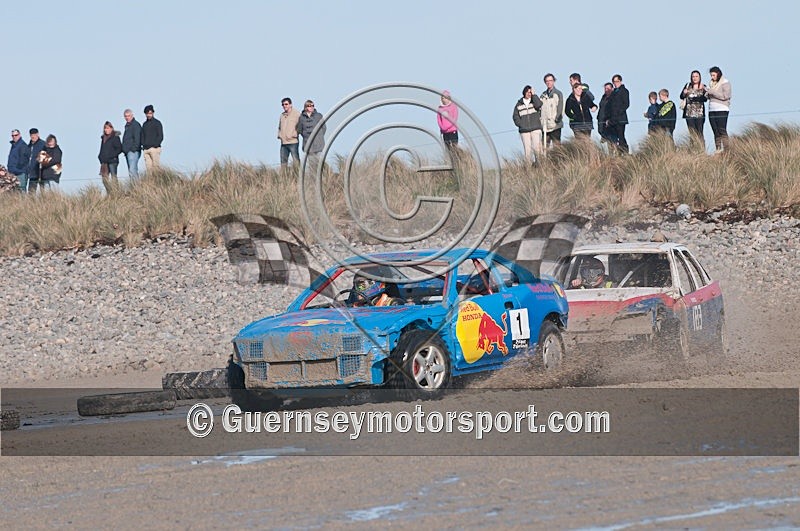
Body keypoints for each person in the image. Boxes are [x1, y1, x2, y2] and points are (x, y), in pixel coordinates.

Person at [512, 85, 543, 163]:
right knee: (527, 150)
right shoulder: (519, 104)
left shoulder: (534, 101)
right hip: (524, 130)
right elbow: (515, 116)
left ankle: (540, 165)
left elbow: (539, 105)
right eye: (528, 92)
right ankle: (528, 166)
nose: (529, 94)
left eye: (530, 92)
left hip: (536, 128)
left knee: (537, 149)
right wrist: (520, 124)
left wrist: (534, 95)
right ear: (524, 92)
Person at [706, 66, 732, 152]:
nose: (712, 77)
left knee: (722, 130)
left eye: (713, 75)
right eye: (711, 75)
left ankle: (727, 150)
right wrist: (707, 93)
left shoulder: (725, 82)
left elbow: (725, 96)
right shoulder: (711, 84)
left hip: (722, 109)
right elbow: (710, 96)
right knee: (715, 131)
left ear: (718, 74)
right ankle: (718, 149)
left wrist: (712, 92)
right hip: (711, 109)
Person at [680, 70, 707, 145]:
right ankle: (692, 149)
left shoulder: (703, 86)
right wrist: (684, 93)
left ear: (699, 77)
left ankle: (701, 148)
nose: (694, 78)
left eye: (696, 76)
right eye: (693, 76)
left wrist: (697, 97)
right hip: (689, 113)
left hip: (700, 114)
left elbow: (705, 99)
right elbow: (681, 96)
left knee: (699, 132)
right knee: (692, 133)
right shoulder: (688, 85)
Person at [98, 121, 123, 193]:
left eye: (108, 128)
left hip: (113, 161)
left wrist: (112, 156)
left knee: (113, 177)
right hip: (104, 162)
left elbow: (119, 148)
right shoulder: (103, 138)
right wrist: (100, 157)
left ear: (111, 128)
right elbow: (102, 149)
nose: (106, 130)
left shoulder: (115, 137)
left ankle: (116, 192)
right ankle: (110, 192)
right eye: (105, 128)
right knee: (104, 179)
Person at [608, 74, 630, 154]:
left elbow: (626, 104)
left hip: (621, 118)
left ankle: (624, 152)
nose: (615, 83)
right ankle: (619, 152)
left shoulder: (624, 91)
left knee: (621, 136)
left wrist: (618, 112)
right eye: (614, 82)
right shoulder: (613, 92)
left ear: (620, 81)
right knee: (615, 137)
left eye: (617, 81)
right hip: (613, 119)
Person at [540, 74, 564, 147]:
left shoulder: (558, 93)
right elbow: (540, 109)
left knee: (557, 147)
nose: (548, 82)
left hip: (555, 126)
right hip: (545, 126)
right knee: (544, 147)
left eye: (550, 80)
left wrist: (557, 119)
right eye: (547, 81)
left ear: (554, 81)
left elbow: (561, 108)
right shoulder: (543, 95)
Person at [278, 97, 301, 167]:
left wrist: (295, 134)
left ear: (290, 105)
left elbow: (301, 126)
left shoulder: (297, 114)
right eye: (283, 104)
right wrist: (279, 135)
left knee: (296, 161)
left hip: (293, 142)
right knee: (283, 162)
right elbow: (279, 127)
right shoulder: (282, 115)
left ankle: (298, 173)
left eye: (286, 104)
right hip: (283, 143)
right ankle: (284, 174)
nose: (284, 106)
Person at [141, 104, 163, 171]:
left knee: (156, 168)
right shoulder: (144, 124)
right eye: (147, 113)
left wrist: (155, 145)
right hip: (146, 149)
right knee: (149, 169)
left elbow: (160, 136)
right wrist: (143, 145)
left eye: (150, 113)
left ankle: (158, 178)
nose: (149, 115)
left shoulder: (157, 123)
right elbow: (142, 136)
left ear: (153, 113)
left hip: (154, 149)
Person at [122, 109, 142, 179]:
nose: (127, 117)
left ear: (132, 115)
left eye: (129, 116)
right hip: (128, 152)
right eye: (125, 116)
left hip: (133, 152)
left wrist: (133, 149)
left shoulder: (135, 125)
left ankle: (136, 185)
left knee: (132, 170)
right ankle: (133, 185)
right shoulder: (127, 126)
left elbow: (137, 138)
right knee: (131, 171)